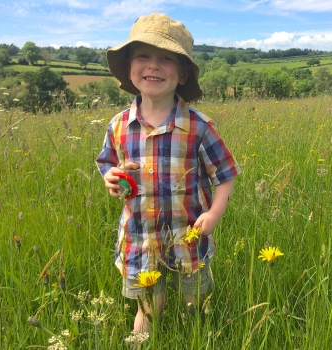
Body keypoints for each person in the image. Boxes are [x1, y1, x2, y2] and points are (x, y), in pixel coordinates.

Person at [95, 13, 241, 332]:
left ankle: (199, 334)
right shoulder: (118, 125)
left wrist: (215, 213)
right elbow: (107, 164)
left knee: (196, 306)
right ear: (129, 66)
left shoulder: (199, 127)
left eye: (166, 58)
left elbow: (226, 173)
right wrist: (112, 177)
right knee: (147, 309)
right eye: (143, 55)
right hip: (140, 238)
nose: (153, 65)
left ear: (184, 73)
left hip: (189, 239)